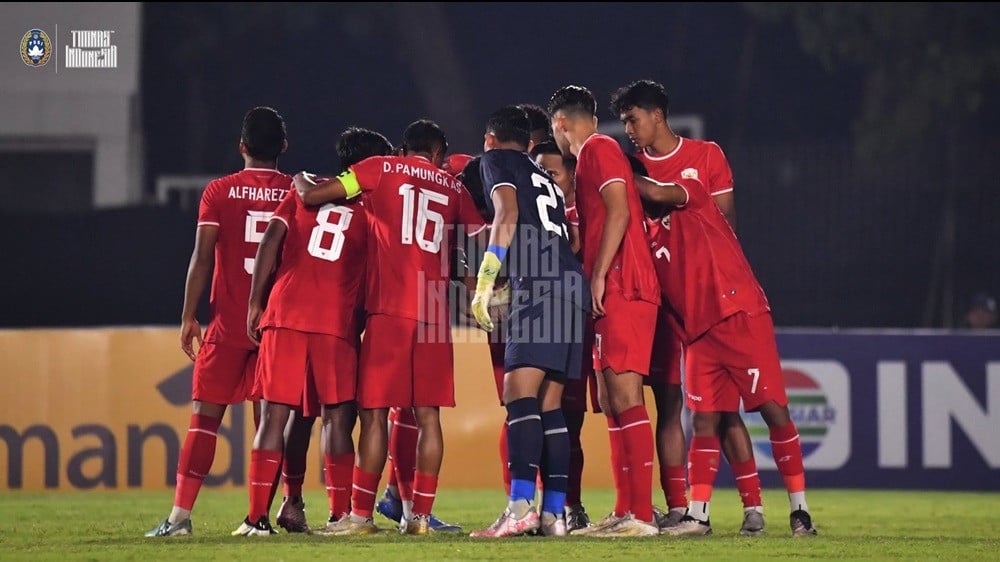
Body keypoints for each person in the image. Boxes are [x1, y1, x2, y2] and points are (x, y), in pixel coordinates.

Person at [295, 119, 487, 535]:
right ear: (437, 154)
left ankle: (360, 516)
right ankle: (418, 518)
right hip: (435, 314)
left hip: (390, 310)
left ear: (405, 149)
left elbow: (315, 195)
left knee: (375, 413)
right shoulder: (453, 188)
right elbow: (480, 234)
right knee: (428, 416)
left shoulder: (380, 167)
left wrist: (298, 178)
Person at [611, 79, 764, 535]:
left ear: (657, 114)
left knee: (719, 409)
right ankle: (680, 506)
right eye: (623, 123)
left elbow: (727, 228)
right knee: (666, 402)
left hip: (708, 303)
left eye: (633, 119)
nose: (630, 129)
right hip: (657, 304)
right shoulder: (630, 165)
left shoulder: (706, 156)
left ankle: (752, 506)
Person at [633, 173, 819, 537]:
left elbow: (654, 189)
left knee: (774, 411)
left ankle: (800, 511)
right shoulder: (645, 238)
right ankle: (699, 516)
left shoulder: (693, 197)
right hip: (699, 336)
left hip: (740, 318)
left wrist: (614, 170)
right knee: (704, 421)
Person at [229, 127, 393, 537]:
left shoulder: (307, 188)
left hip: (284, 314)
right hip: (334, 324)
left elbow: (271, 239)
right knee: (338, 420)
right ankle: (339, 516)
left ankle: (255, 520)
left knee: (273, 418)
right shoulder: (373, 210)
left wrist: (255, 301)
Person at [146, 107, 292, 537]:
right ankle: (258, 519)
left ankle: (179, 518)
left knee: (203, 421)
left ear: (242, 146)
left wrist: (189, 315)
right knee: (269, 422)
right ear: (283, 147)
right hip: (274, 324)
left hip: (228, 325)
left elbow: (202, 256)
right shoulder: (296, 190)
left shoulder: (219, 191)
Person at [468, 106, 590, 538]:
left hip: (539, 286)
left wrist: (484, 283)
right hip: (573, 287)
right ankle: (554, 514)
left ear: (490, 140)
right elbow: (570, 236)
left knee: (517, 393)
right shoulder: (546, 176)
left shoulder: (495, 161)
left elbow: (506, 215)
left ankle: (520, 507)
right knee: (550, 404)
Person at [548, 85, 661, 537]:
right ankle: (624, 508)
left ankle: (643, 515)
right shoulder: (594, 154)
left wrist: (598, 274)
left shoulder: (598, 148)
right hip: (609, 291)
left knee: (627, 397)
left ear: (560, 124)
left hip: (624, 286)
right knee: (612, 402)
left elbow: (619, 211)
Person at [531, 139, 594, 532]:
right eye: (539, 173)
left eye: (551, 173)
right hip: (540, 321)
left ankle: (572, 504)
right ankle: (542, 505)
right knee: (534, 414)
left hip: (578, 327)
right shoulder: (538, 213)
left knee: (571, 423)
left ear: (571, 176)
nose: (545, 180)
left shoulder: (586, 214)